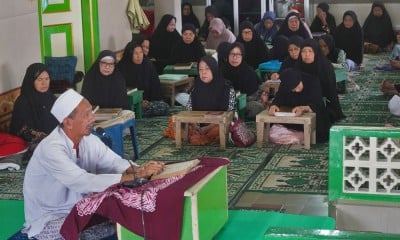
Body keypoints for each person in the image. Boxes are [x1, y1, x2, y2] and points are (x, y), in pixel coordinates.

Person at [22, 89, 164, 239]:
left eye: (92, 112)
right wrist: (136, 176)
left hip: (80, 206)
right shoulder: (51, 149)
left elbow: (113, 161)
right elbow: (83, 181)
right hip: (50, 216)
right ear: (68, 122)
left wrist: (139, 169)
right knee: (107, 226)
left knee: (124, 214)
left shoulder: (88, 139)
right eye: (86, 115)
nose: (93, 118)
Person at [10, 63, 58, 161]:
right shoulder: (23, 101)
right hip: (31, 144)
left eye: (47, 79)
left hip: (54, 141)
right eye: (39, 80)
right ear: (31, 81)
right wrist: (48, 139)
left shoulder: (51, 97)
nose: (44, 83)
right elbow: (23, 130)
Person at [268, 68, 331, 143]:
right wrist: (274, 105)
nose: (297, 91)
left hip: (311, 113)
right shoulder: (286, 83)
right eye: (293, 90)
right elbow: (279, 97)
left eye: (298, 86)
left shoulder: (313, 81)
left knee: (318, 131)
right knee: (274, 127)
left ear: (300, 80)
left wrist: (303, 108)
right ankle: (299, 136)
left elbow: (317, 103)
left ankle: (302, 136)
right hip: (292, 116)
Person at [296, 38, 345, 123]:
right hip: (302, 100)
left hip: (322, 104)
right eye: (304, 51)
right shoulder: (298, 65)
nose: (307, 54)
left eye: (310, 51)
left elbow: (328, 91)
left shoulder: (324, 67)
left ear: (315, 52)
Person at [118, 42, 169, 117]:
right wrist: (139, 102)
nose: (139, 56)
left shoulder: (147, 65)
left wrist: (149, 102)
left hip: (149, 102)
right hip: (131, 105)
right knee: (130, 112)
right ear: (130, 54)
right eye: (135, 53)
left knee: (164, 106)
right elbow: (122, 91)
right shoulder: (122, 68)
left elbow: (155, 87)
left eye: (141, 52)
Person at [221, 42, 265, 119]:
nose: (234, 58)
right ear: (228, 55)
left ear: (242, 56)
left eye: (238, 55)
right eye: (232, 54)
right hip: (225, 103)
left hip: (246, 102)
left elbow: (255, 93)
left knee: (256, 107)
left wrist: (241, 99)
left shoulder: (248, 71)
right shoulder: (222, 71)